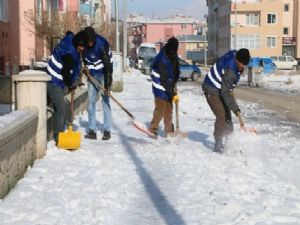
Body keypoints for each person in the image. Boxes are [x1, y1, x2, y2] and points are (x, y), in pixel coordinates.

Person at [202, 48, 250, 153]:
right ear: (237, 60)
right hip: (211, 88)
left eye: (245, 64)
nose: (243, 66)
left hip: (221, 87)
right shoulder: (230, 71)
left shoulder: (235, 55)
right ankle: (218, 144)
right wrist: (235, 109)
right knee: (221, 115)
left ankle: (231, 141)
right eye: (241, 64)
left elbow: (226, 90)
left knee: (228, 116)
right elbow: (225, 93)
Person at [47, 30, 88, 145]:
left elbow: (69, 33)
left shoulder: (72, 41)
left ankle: (50, 102)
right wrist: (71, 84)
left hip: (58, 81)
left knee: (60, 103)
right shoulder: (69, 54)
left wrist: (74, 82)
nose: (83, 49)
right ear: (77, 44)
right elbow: (66, 73)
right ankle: (58, 137)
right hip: (53, 81)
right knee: (61, 108)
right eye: (81, 47)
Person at [83, 27, 113, 141]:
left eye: (91, 41)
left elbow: (108, 67)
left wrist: (108, 85)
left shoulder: (102, 44)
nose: (90, 43)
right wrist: (85, 68)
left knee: (105, 101)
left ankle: (107, 130)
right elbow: (83, 59)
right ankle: (92, 130)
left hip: (104, 74)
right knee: (91, 102)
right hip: (92, 76)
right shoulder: (84, 45)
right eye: (88, 41)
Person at [149, 37, 180, 137]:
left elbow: (176, 70)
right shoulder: (161, 59)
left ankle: (169, 132)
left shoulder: (173, 55)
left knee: (169, 110)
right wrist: (173, 94)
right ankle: (153, 129)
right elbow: (164, 80)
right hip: (159, 85)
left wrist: (175, 79)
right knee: (161, 108)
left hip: (168, 85)